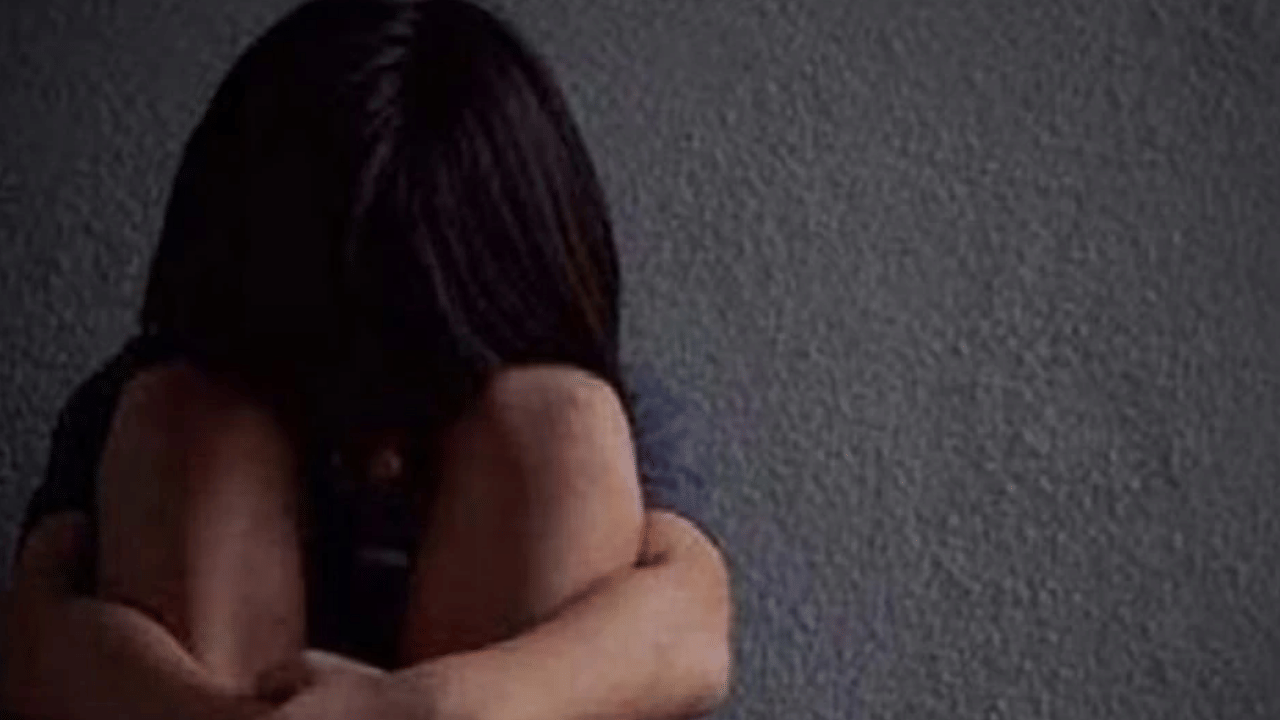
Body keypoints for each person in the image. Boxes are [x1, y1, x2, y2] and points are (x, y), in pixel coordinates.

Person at [0, 1, 734, 718]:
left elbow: (693, 637)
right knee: (184, 416)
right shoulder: (151, 405)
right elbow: (31, 645)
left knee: (562, 420)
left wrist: (418, 708)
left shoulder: (598, 416)